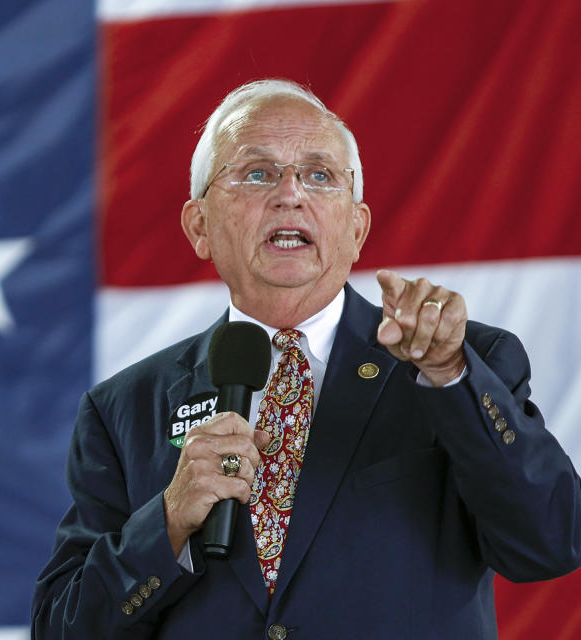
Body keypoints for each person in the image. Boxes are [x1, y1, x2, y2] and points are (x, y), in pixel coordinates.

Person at [31, 79, 581, 639]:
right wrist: (168, 521)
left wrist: (449, 377)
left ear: (356, 228)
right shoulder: (123, 408)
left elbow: (550, 542)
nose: (290, 194)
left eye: (319, 175)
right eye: (258, 173)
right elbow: (61, 629)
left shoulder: (460, 364)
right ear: (199, 226)